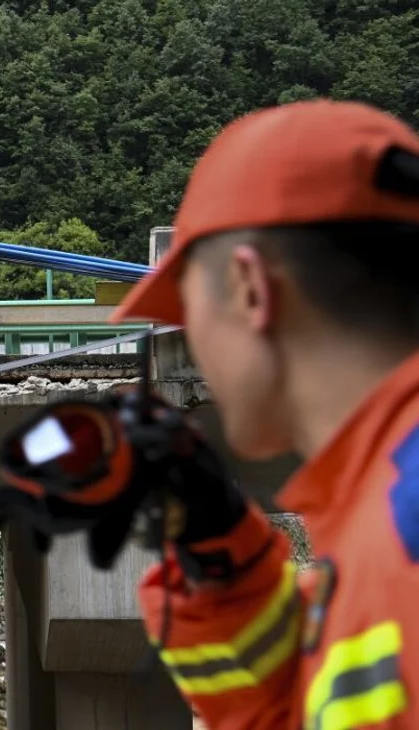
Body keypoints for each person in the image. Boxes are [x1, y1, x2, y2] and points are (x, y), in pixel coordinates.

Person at [108, 99, 419, 728]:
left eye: (187, 314)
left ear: (252, 291)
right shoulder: (375, 516)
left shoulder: (403, 518)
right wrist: (215, 549)